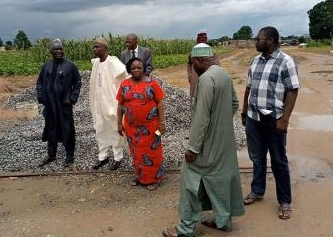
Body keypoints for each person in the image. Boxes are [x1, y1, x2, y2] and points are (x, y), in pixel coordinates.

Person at [162, 43, 244, 237]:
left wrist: (193, 148)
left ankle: (185, 229)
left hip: (208, 144)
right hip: (224, 142)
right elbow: (233, 104)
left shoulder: (206, 79)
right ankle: (223, 221)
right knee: (220, 179)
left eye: (191, 64)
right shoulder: (223, 74)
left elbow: (201, 118)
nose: (191, 68)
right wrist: (220, 121)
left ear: (198, 60)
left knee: (190, 178)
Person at [241, 26, 299, 220]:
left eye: (259, 38)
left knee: (278, 161)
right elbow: (249, 87)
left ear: (271, 41)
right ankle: (257, 191)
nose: (255, 41)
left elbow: (292, 91)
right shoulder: (255, 61)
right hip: (254, 118)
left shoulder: (286, 62)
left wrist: (285, 119)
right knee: (257, 158)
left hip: (274, 120)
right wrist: (244, 111)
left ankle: (284, 201)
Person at [116, 58, 166, 191]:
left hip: (151, 127)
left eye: (139, 68)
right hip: (132, 127)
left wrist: (162, 123)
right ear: (129, 70)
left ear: (143, 68)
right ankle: (140, 177)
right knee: (136, 152)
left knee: (152, 152)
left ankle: (154, 179)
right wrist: (119, 123)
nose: (136, 70)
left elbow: (160, 103)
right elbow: (120, 104)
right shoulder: (125, 84)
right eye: (133, 68)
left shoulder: (152, 83)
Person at [36, 39, 82, 167]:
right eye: (56, 49)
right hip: (50, 105)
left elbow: (77, 83)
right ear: (50, 51)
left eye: (60, 49)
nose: (59, 51)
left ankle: (69, 155)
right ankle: (51, 155)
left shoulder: (70, 66)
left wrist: (72, 98)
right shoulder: (46, 66)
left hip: (64, 105)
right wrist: (41, 96)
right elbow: (39, 82)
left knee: (67, 128)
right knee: (51, 128)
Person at [89, 37, 128, 170]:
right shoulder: (95, 63)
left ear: (105, 48)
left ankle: (118, 157)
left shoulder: (113, 62)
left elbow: (126, 79)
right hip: (98, 103)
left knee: (114, 129)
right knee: (100, 128)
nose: (94, 49)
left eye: (97, 47)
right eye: (94, 47)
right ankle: (103, 157)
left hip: (112, 102)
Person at [187, 32, 220, 97]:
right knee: (197, 96)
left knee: (206, 97)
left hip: (208, 79)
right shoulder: (193, 52)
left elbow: (217, 67)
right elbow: (189, 63)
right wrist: (190, 75)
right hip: (195, 79)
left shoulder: (211, 52)